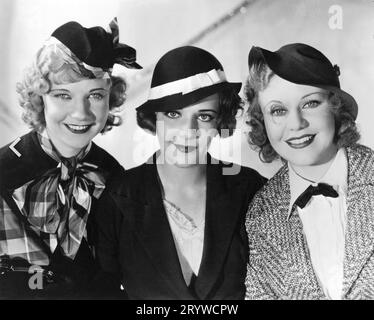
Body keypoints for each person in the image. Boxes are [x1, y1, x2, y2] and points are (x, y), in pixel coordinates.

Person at [94, 46, 266, 299]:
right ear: (155, 118)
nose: (188, 130)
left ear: (220, 122)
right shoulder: (116, 199)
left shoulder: (251, 190)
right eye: (174, 114)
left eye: (204, 116)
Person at [0, 18, 141, 298]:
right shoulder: (4, 171)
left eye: (95, 95)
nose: (81, 113)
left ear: (110, 100)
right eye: (63, 95)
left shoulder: (115, 176)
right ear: (40, 98)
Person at [244, 43, 374, 300]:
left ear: (335, 107)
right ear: (263, 122)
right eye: (278, 111)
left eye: (310, 103)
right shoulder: (259, 214)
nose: (296, 124)